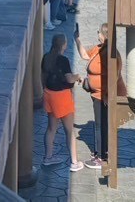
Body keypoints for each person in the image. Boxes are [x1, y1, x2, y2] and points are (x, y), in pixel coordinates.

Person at [40, 34, 84, 171]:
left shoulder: (46, 57)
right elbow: (69, 79)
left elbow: (43, 77)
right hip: (62, 97)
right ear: (64, 45)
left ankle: (48, 158)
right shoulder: (63, 60)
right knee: (69, 131)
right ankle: (74, 162)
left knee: (51, 128)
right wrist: (78, 77)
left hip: (48, 94)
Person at [77, 23, 111, 170]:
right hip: (96, 94)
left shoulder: (110, 54)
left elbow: (113, 75)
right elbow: (85, 55)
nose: (97, 34)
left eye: (99, 32)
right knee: (99, 125)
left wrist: (107, 94)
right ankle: (100, 152)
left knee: (100, 126)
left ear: (104, 34)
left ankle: (102, 157)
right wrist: (77, 39)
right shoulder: (98, 49)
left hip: (102, 96)